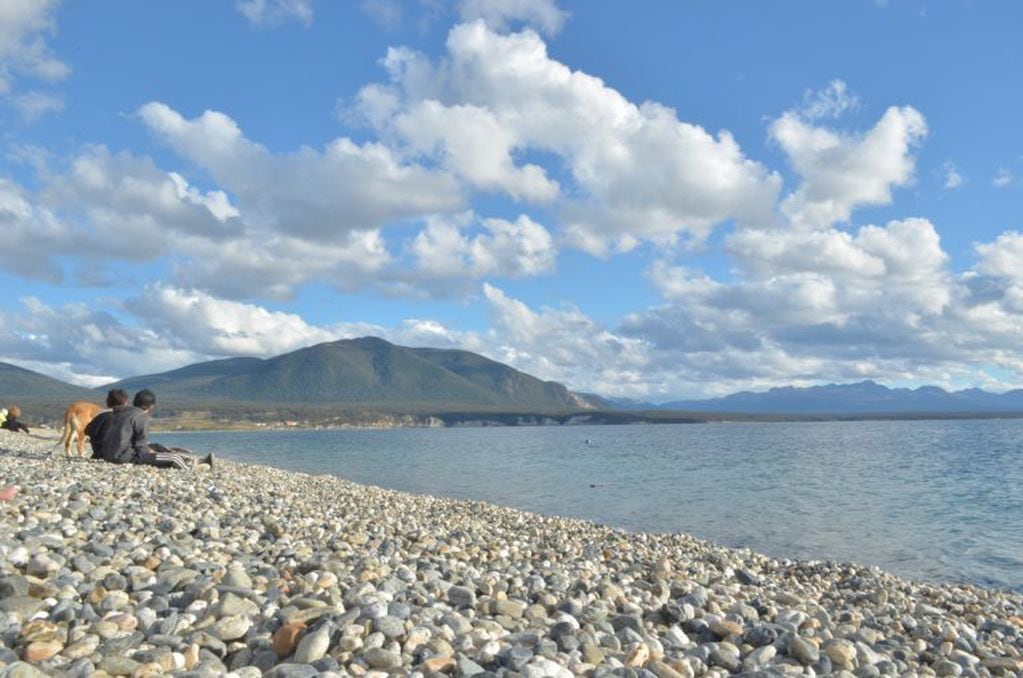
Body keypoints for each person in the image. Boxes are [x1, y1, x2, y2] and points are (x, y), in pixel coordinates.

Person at [88, 389, 213, 470]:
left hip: (106, 453)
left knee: (157, 446)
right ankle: (191, 469)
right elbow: (140, 447)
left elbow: (89, 432)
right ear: (151, 406)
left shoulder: (113, 414)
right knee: (173, 458)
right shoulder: (140, 416)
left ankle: (194, 460)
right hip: (121, 457)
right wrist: (151, 454)